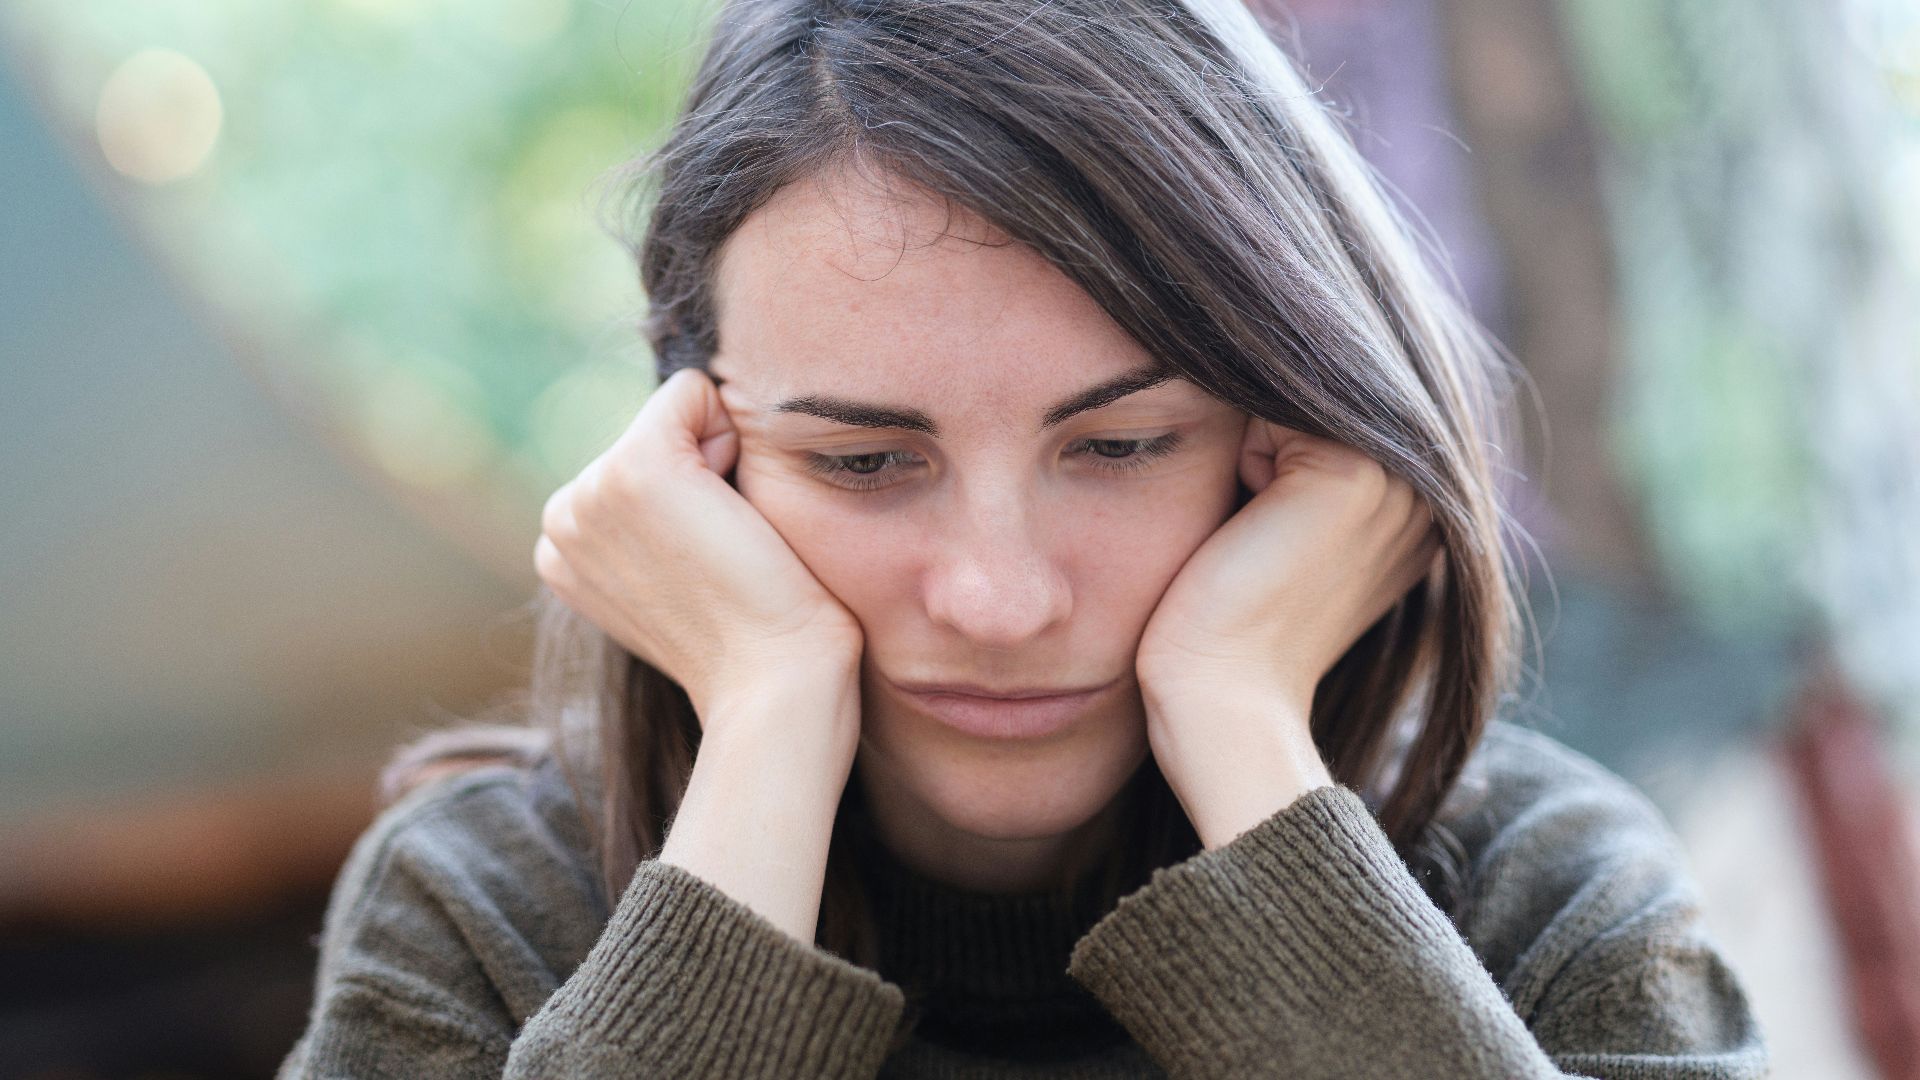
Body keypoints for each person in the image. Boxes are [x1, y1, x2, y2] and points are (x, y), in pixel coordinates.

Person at [277, 0, 1769, 1075]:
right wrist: (767, 732)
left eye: (1120, 447)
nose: (996, 596)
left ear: (1295, 441)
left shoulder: (1544, 900)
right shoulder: (483, 910)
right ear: (695, 450)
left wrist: (1239, 722)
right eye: (862, 459)